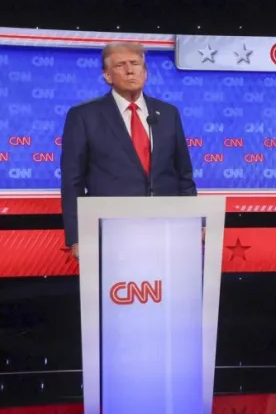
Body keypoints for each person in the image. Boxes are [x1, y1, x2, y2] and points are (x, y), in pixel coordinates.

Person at [60, 42, 197, 258]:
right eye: (120, 65)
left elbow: (184, 174)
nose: (130, 70)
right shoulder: (84, 116)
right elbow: (72, 181)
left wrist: (194, 222)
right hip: (112, 230)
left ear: (145, 72)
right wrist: (77, 237)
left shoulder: (168, 113)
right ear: (107, 76)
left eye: (135, 63)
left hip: (166, 227)